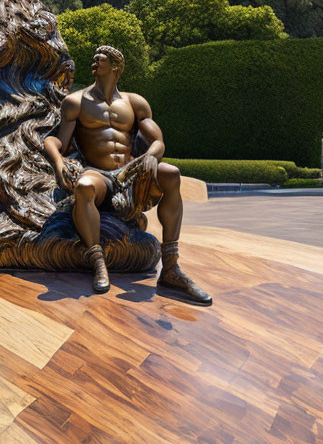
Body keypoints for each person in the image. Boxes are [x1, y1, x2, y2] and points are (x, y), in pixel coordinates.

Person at [42, 44, 212, 304]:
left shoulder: (135, 102)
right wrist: (57, 161)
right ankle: (98, 261)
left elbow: (158, 141)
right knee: (84, 187)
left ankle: (171, 267)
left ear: (116, 66)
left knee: (172, 174)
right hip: (97, 173)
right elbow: (56, 142)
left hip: (130, 173)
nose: (95, 60)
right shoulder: (76, 102)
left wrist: (153, 156)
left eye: (101, 58)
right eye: (95, 58)